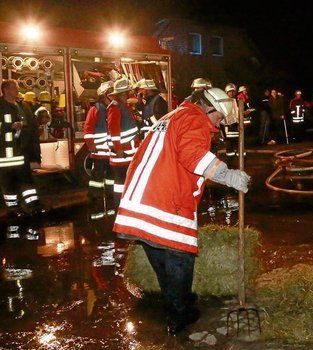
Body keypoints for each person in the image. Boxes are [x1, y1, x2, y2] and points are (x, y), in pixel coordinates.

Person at [113, 86, 250, 335]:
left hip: (141, 201)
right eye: (218, 118)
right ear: (208, 108)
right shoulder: (193, 119)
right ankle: (179, 317)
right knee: (180, 258)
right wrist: (228, 176)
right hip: (164, 201)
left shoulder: (172, 116)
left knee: (161, 256)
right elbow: (193, 155)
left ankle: (177, 300)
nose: (218, 125)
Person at [0, 79, 47, 218]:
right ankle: (13, 209)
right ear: (6, 90)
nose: (17, 90)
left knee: (27, 180)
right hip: (5, 155)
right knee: (9, 183)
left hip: (21, 152)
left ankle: (33, 205)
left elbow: (30, 119)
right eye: (15, 88)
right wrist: (9, 127)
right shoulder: (1, 106)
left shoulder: (19, 105)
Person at [83, 81, 115, 219]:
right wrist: (91, 144)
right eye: (111, 94)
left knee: (110, 176)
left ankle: (109, 194)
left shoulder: (114, 109)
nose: (114, 97)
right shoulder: (96, 109)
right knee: (97, 175)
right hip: (100, 150)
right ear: (104, 95)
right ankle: (94, 196)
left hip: (111, 151)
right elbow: (88, 128)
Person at [106, 77, 140, 208]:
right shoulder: (115, 108)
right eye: (127, 93)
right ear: (122, 94)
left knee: (125, 180)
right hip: (121, 154)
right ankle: (119, 205)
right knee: (120, 182)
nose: (129, 95)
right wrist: (118, 149)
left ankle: (124, 203)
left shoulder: (123, 106)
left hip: (127, 152)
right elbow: (113, 131)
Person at [223, 83, 239, 158]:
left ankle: (237, 159)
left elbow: (235, 113)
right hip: (228, 125)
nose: (231, 93)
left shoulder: (234, 100)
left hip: (235, 124)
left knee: (236, 142)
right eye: (230, 92)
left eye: (233, 91)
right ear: (226, 92)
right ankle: (230, 161)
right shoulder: (224, 101)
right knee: (229, 144)